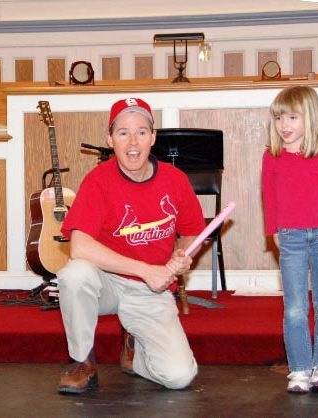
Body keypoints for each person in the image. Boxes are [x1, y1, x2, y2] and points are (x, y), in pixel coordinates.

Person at [56, 97, 206, 394]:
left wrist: (183, 253)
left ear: (153, 137)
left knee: (179, 376)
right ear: (110, 139)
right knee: (74, 275)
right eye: (123, 133)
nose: (133, 141)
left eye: (141, 132)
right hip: (107, 283)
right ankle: (82, 362)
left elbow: (192, 232)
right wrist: (145, 269)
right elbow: (80, 247)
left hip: (150, 291)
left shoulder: (176, 180)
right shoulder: (98, 180)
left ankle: (134, 353)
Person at [262, 85, 318, 394]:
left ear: (309, 118)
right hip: (290, 236)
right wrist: (273, 230)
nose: (284, 125)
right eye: (279, 118)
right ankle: (299, 368)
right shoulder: (272, 156)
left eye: (292, 117)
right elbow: (269, 196)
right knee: (295, 306)